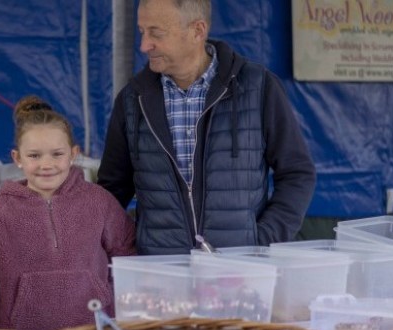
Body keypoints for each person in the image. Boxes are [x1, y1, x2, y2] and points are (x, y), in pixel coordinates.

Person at [97, 0, 316, 255]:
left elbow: (297, 173)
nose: (144, 45)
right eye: (142, 31)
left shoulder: (258, 88)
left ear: (197, 31)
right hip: (162, 276)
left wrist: (262, 241)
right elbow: (111, 192)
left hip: (241, 271)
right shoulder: (132, 100)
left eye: (156, 33)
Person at [0, 96, 136, 330]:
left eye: (57, 154)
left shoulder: (100, 202)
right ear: (17, 158)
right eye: (34, 155)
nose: (46, 165)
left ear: (73, 154)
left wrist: (122, 325)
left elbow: (127, 262)